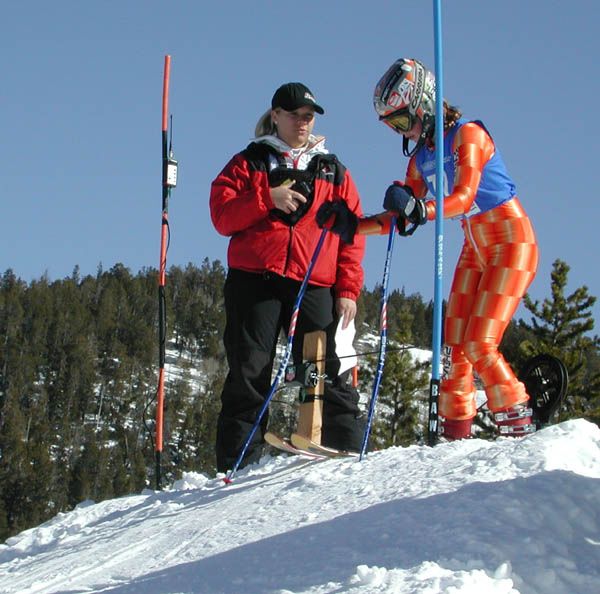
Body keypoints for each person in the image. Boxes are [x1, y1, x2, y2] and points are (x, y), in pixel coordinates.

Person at [318, 58, 539, 440]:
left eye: (402, 121)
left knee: (479, 343)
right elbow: (402, 217)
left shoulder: (468, 135)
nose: (400, 131)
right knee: (453, 350)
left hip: (510, 240)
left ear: (424, 103)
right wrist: (354, 225)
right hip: (475, 245)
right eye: (392, 126)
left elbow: (463, 196)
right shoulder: (423, 157)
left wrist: (421, 208)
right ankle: (456, 434)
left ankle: (517, 421)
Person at [210, 82, 366, 472]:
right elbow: (222, 215)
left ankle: (340, 446)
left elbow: (353, 235)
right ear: (276, 115)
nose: (303, 122)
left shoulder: (334, 169)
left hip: (315, 280)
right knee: (250, 368)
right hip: (255, 279)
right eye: (295, 115)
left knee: (325, 363)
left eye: (308, 116)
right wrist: (267, 197)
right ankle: (238, 460)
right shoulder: (250, 161)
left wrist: (347, 288)